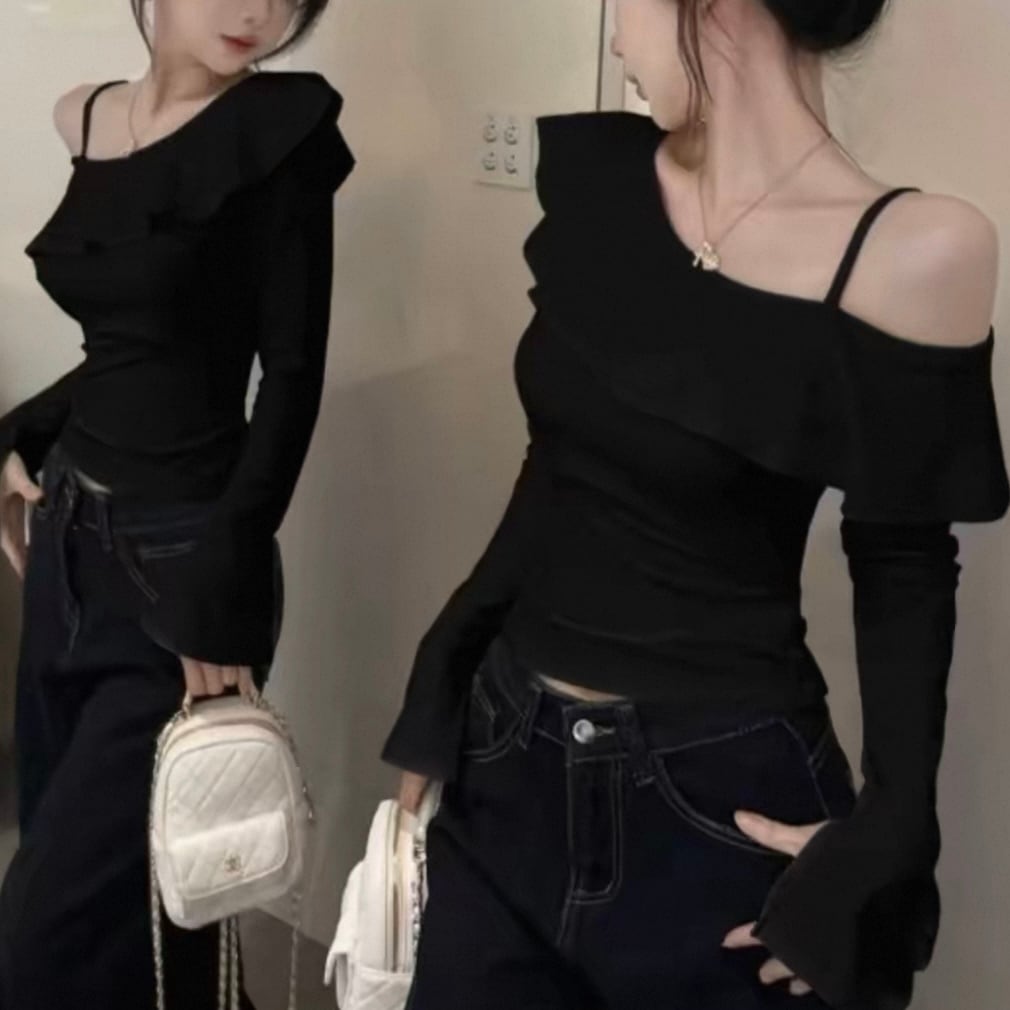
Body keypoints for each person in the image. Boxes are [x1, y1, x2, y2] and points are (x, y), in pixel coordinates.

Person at [382, 1, 1008, 1008]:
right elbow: (560, 466)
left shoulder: (912, 250)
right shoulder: (607, 186)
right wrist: (443, 662)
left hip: (717, 810)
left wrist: (890, 838)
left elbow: (903, 564)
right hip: (506, 765)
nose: (616, 37)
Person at [0, 1, 354, 1006]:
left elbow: (289, 378)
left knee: (43, 935)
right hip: (67, 548)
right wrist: (20, 433)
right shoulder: (83, 116)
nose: (260, 12)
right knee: (153, 912)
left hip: (182, 570)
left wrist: (223, 586)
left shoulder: (279, 133)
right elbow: (129, 351)